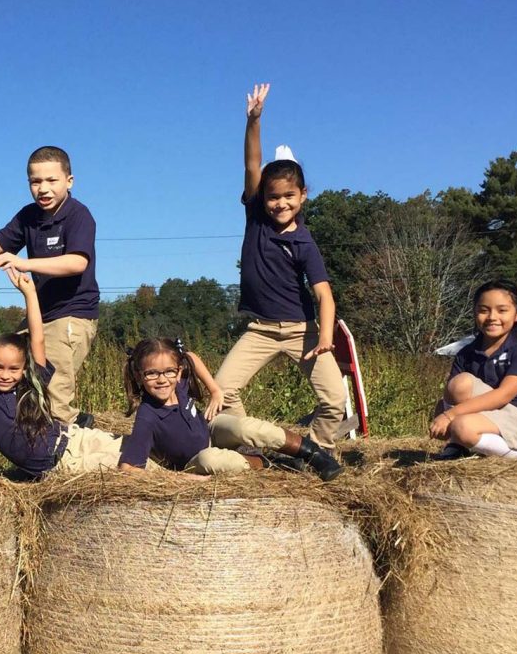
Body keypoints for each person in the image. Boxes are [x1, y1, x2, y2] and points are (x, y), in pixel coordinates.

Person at [213, 83, 347, 452]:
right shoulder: (256, 217)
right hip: (260, 328)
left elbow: (324, 294)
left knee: (334, 401)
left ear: (303, 196)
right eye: (273, 197)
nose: (280, 203)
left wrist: (324, 338)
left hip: (301, 330)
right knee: (222, 391)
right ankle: (252, 448)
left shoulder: (305, 243)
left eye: (289, 196)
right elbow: (252, 163)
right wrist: (254, 120)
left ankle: (312, 453)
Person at [0, 146, 99, 428]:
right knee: (12, 365)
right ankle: (41, 437)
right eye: (35, 182)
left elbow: (77, 263)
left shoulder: (79, 215)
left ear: (69, 181)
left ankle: (72, 442)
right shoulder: (29, 215)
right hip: (40, 313)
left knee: (53, 386)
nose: (43, 189)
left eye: (52, 181)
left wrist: (26, 263)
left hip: (71, 314)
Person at [0, 268, 120, 478]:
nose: (5, 375)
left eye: (14, 369)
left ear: (25, 367)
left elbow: (38, 339)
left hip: (72, 439)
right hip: (63, 462)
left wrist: (30, 294)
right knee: (133, 463)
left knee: (136, 447)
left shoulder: (30, 382)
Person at [120, 338, 343, 481]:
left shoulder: (177, 382)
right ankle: (273, 463)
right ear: (140, 376)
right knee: (212, 460)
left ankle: (313, 454)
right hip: (194, 460)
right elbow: (128, 469)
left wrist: (215, 390)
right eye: (152, 374)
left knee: (245, 427)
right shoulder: (147, 417)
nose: (161, 379)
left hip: (210, 429)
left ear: (178, 372)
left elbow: (191, 357)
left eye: (168, 372)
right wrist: (186, 479)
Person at [430, 279, 517, 460]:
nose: (492, 317)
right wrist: (444, 414)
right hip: (488, 414)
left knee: (461, 426)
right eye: (483, 310)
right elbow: (455, 394)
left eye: (502, 310)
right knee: (456, 388)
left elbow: (504, 395)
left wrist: (450, 415)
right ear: (474, 313)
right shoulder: (466, 353)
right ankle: (458, 444)